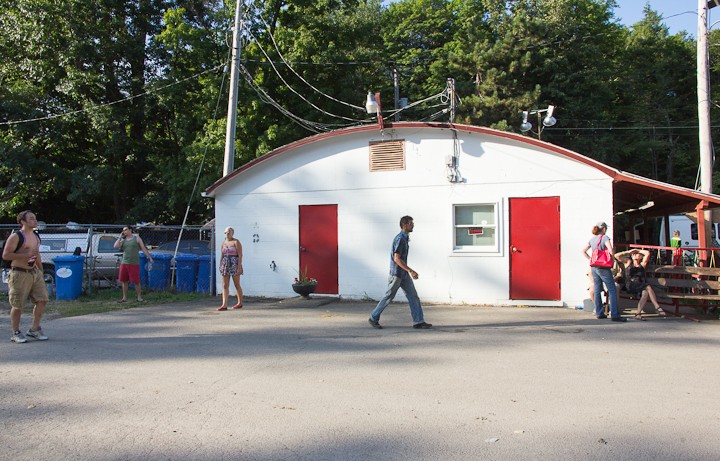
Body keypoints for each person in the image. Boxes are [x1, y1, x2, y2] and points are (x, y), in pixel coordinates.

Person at [369, 215, 432, 329]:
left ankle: (418, 321)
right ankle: (373, 317)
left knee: (413, 296)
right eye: (410, 223)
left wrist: (407, 272)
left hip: (403, 275)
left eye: (412, 223)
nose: (413, 225)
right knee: (388, 296)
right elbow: (397, 258)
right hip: (397, 275)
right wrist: (411, 270)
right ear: (404, 225)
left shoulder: (405, 238)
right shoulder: (400, 239)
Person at [2, 210, 49, 343]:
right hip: (19, 273)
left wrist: (41, 270)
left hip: (34, 272)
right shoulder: (16, 236)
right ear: (23, 221)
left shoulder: (36, 236)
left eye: (35, 218)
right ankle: (15, 332)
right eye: (31, 218)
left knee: (42, 299)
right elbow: (6, 255)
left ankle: (34, 329)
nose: (35, 220)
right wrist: (25, 255)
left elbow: (36, 254)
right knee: (18, 304)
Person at [582, 221, 627, 322]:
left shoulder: (592, 239)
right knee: (612, 289)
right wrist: (612, 258)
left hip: (594, 267)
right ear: (604, 228)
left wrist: (590, 259)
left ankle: (599, 313)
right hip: (603, 267)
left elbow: (583, 251)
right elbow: (610, 250)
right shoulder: (605, 238)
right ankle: (615, 314)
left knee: (597, 289)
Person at [615, 248, 666, 320]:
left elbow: (647, 253)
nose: (635, 254)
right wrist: (628, 252)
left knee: (645, 292)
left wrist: (638, 250)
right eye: (633, 254)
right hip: (630, 285)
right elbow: (616, 256)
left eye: (637, 254)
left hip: (640, 285)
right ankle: (657, 307)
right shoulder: (628, 263)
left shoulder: (642, 264)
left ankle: (638, 313)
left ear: (641, 257)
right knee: (647, 287)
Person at [114, 225, 153, 303]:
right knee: (124, 281)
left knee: (136, 281)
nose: (124, 231)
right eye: (123, 230)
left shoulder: (137, 239)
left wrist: (150, 258)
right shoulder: (123, 240)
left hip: (134, 263)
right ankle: (124, 298)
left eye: (125, 230)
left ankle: (139, 297)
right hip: (124, 263)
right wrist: (120, 237)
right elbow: (115, 246)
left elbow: (143, 249)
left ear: (130, 230)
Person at [217, 227, 243, 311]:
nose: (227, 234)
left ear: (232, 233)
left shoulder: (236, 242)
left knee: (236, 284)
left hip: (234, 263)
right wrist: (221, 264)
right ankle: (224, 305)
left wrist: (239, 267)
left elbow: (240, 255)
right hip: (225, 264)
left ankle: (240, 303)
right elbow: (222, 254)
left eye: (228, 233)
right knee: (225, 285)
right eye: (225, 233)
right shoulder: (223, 243)